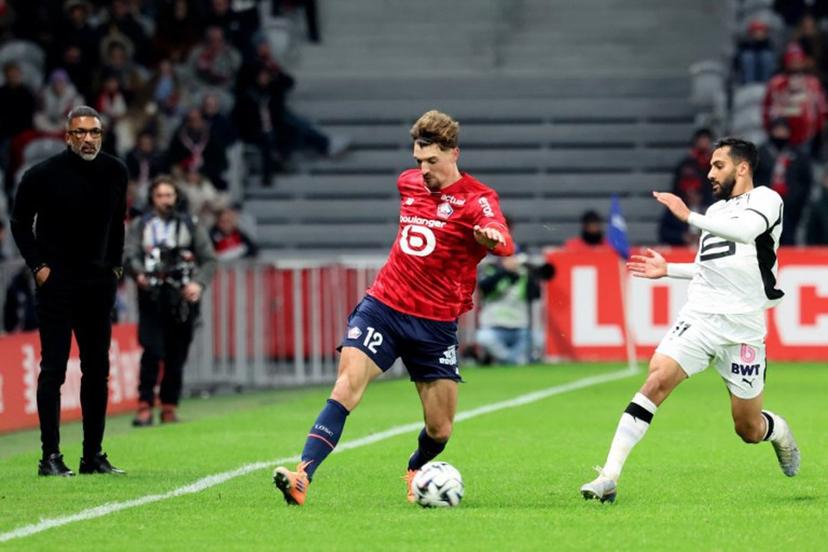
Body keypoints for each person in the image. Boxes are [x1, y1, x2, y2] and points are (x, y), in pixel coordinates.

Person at [272, 110, 514, 506]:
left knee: (440, 430)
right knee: (346, 386)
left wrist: (490, 238)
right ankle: (302, 476)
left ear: (454, 153)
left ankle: (416, 469)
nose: (423, 170)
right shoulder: (408, 183)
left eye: (432, 161)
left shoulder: (478, 199)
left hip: (435, 324)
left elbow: (504, 242)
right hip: (384, 306)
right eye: (419, 161)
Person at [580, 138, 800, 504]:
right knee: (657, 378)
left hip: (744, 327)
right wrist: (669, 270)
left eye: (719, 165)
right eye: (711, 166)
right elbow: (710, 267)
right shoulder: (713, 213)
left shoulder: (766, 200)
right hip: (700, 317)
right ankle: (609, 476)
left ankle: (776, 430)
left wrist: (687, 216)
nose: (710, 172)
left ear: (742, 168)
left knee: (747, 427)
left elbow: (746, 233)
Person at [10, 106, 128, 476]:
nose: (87, 139)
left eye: (94, 132)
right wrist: (39, 268)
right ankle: (50, 457)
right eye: (80, 133)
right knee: (53, 370)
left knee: (98, 371)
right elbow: (18, 224)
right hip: (58, 284)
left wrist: (115, 268)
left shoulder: (115, 171)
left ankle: (92, 456)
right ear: (67, 136)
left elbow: (118, 223)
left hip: (98, 284)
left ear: (102, 135)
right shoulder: (41, 175)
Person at [124, 175, 217, 426]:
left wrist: (198, 283)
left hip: (182, 295)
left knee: (177, 353)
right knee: (152, 350)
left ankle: (169, 405)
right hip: (152, 294)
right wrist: (138, 273)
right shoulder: (140, 225)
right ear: (152, 199)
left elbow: (208, 258)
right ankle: (144, 405)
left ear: (177, 197)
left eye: (169, 195)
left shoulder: (190, 223)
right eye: (160, 196)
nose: (166, 200)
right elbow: (129, 254)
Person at [754, 118, 813, 244]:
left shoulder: (798, 154)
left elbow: (805, 180)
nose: (780, 134)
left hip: (790, 208)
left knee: (788, 238)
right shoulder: (760, 153)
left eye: (783, 130)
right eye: (778, 130)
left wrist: (797, 199)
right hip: (764, 206)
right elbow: (752, 177)